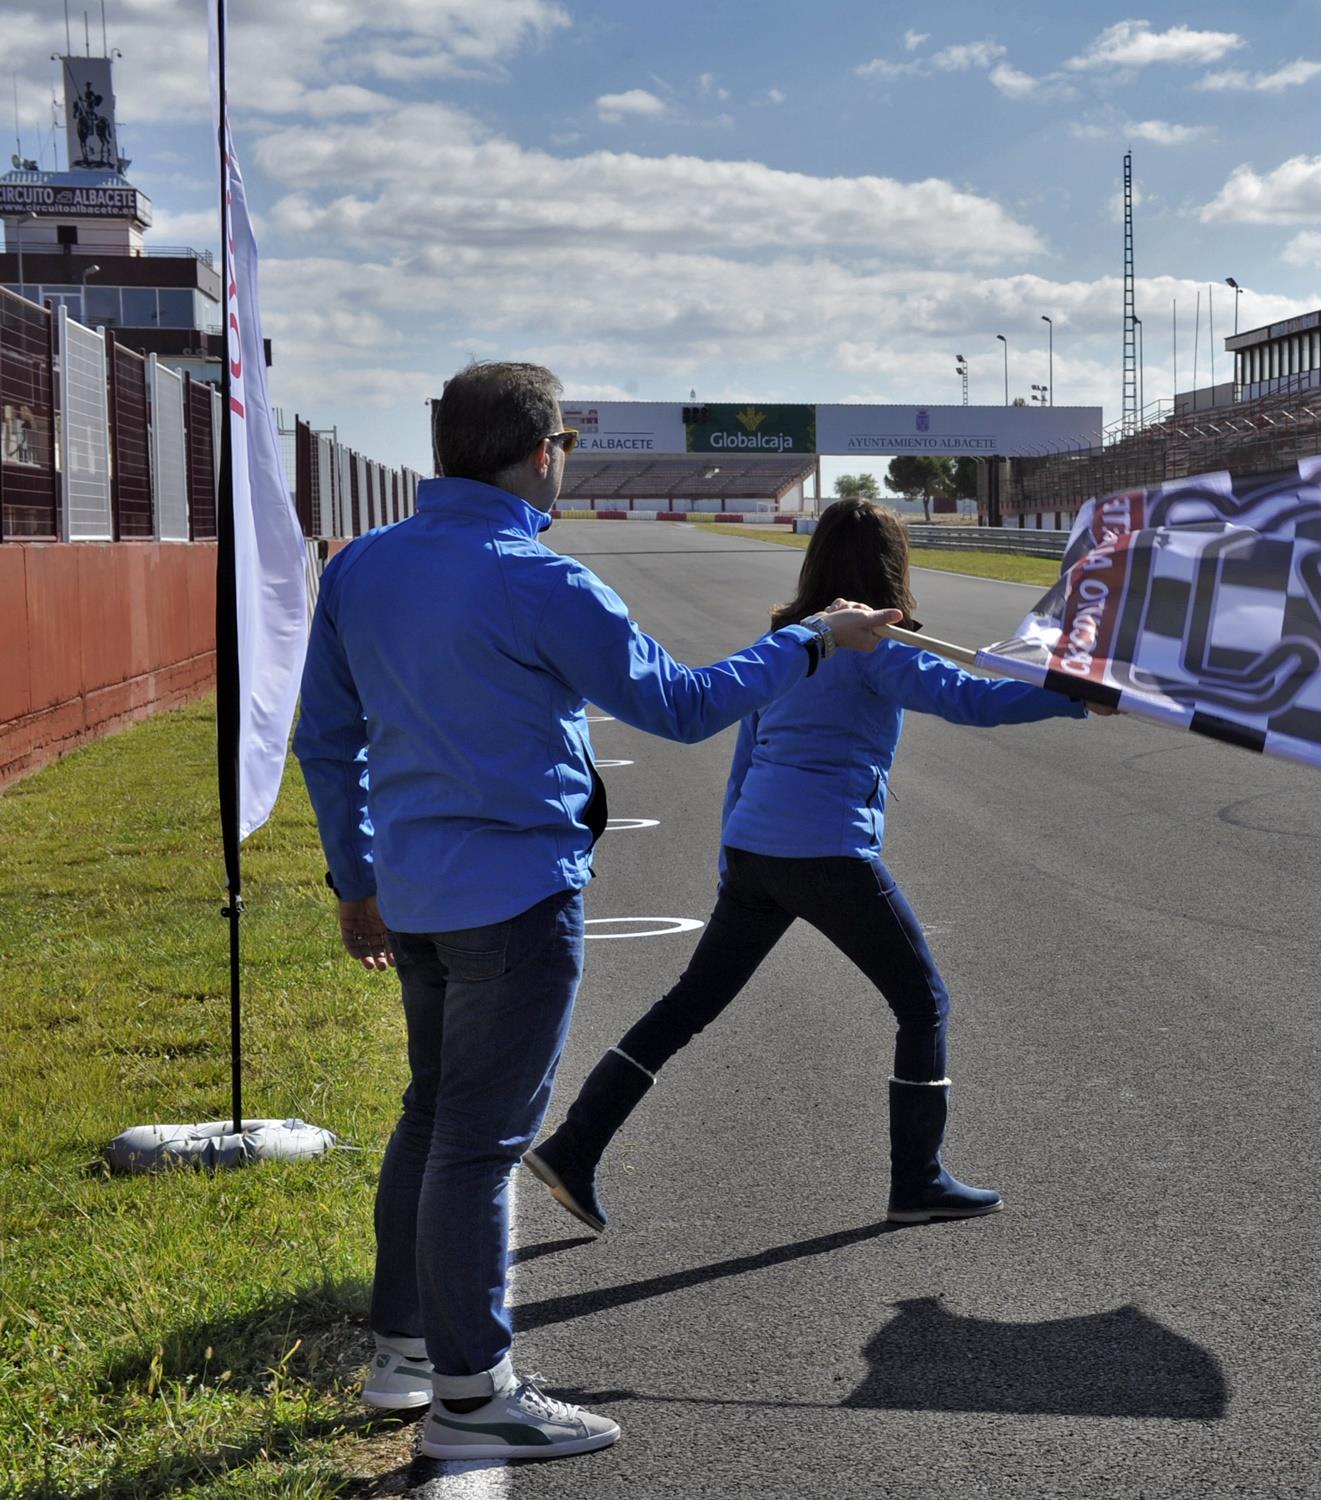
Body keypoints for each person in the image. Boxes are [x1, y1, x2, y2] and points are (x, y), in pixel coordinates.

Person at [294, 361, 900, 1463]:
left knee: (432, 1116)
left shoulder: (360, 567)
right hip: (516, 897)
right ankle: (475, 1397)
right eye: (563, 446)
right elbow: (678, 707)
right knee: (479, 1145)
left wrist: (354, 882)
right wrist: (812, 639)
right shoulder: (543, 580)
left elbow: (327, 742)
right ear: (539, 454)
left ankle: (407, 1352)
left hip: (416, 895)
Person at [525, 499, 1099, 1236]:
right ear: (892, 567)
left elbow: (746, 750)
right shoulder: (874, 646)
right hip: (827, 850)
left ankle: (575, 1145)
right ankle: (918, 1179)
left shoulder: (791, 640)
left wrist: (733, 858)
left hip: (758, 848)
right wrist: (1071, 700)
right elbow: (972, 701)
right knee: (923, 1004)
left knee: (686, 1008)